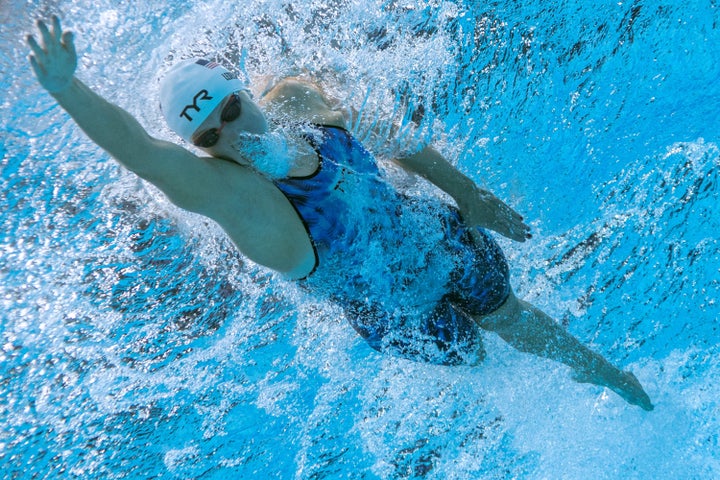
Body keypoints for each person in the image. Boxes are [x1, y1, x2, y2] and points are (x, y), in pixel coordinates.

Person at [27, 16, 653, 411]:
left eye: (231, 109)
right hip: (400, 315)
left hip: (433, 236)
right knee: (481, 359)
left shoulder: (294, 99)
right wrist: (66, 88)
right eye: (212, 136)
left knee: (512, 315)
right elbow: (146, 155)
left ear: (244, 91)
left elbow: (389, 137)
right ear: (204, 152)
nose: (232, 134)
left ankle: (605, 375)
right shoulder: (248, 206)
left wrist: (469, 194)